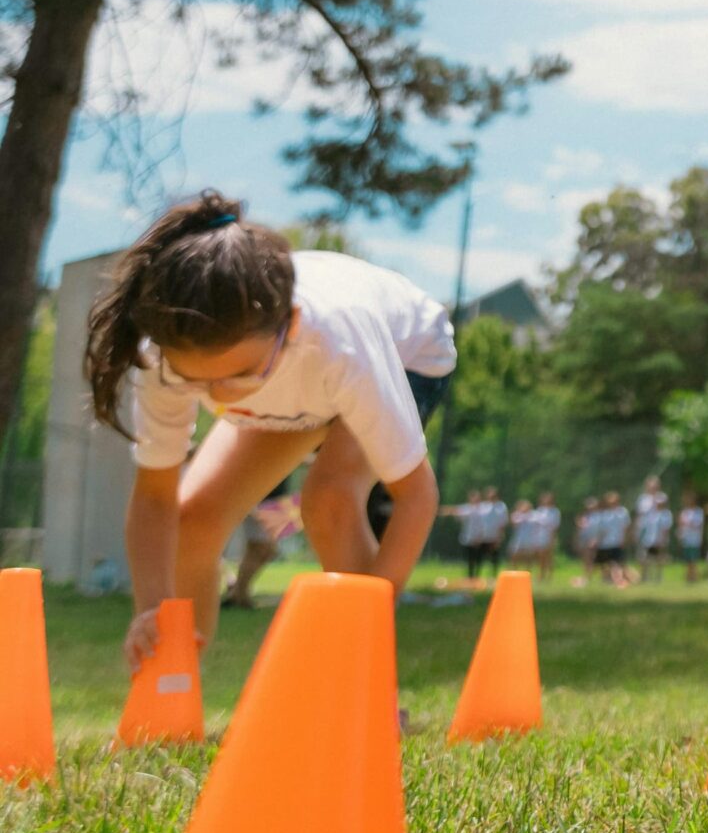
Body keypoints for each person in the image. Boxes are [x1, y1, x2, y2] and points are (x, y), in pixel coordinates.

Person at [87, 192, 452, 671]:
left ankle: (367, 692)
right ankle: (172, 691)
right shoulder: (163, 359)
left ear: (291, 325)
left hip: (409, 354)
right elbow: (156, 498)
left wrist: (372, 618)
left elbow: (416, 496)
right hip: (297, 381)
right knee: (193, 519)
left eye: (238, 375)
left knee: (329, 500)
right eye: (197, 381)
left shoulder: (339, 344)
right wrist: (153, 608)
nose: (222, 397)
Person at [590, 490, 634, 589]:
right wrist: (596, 540)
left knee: (616, 563)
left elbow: (626, 527)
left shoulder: (622, 512)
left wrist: (624, 539)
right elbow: (602, 529)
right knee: (603, 563)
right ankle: (607, 579)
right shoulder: (605, 514)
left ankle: (620, 580)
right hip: (605, 543)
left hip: (617, 541)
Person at [636, 486, 674, 584]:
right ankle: (644, 577)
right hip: (649, 539)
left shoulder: (666, 513)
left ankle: (658, 577)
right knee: (645, 558)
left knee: (658, 559)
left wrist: (663, 540)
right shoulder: (652, 514)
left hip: (659, 540)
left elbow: (665, 529)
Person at [676, 491, 707, 585]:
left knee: (694, 559)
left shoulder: (699, 511)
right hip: (686, 538)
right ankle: (688, 577)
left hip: (695, 539)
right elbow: (681, 524)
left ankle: (694, 577)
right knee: (687, 559)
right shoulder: (684, 512)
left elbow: (699, 525)